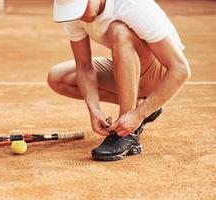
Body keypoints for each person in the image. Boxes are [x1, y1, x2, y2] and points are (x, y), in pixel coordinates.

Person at [48, 0, 191, 161]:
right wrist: (94, 109)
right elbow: (84, 66)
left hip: (158, 74)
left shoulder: (131, 5)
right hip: (130, 67)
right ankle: (142, 105)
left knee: (118, 31)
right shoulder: (74, 14)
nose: (79, 15)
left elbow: (180, 69)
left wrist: (138, 115)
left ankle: (127, 132)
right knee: (59, 77)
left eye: (79, 8)